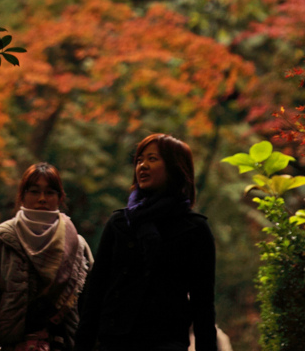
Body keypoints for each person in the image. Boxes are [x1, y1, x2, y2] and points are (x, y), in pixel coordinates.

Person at [74, 134, 217, 351]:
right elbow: (96, 290)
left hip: (165, 340)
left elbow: (202, 303)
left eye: (152, 159)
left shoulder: (194, 229)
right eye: (139, 160)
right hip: (115, 340)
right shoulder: (120, 223)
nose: (143, 166)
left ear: (175, 167)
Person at [0, 162, 94, 351]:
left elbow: (91, 304)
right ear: (22, 196)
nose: (42, 199)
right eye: (34, 191)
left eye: (49, 192)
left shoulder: (77, 244)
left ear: (59, 197)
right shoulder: (3, 239)